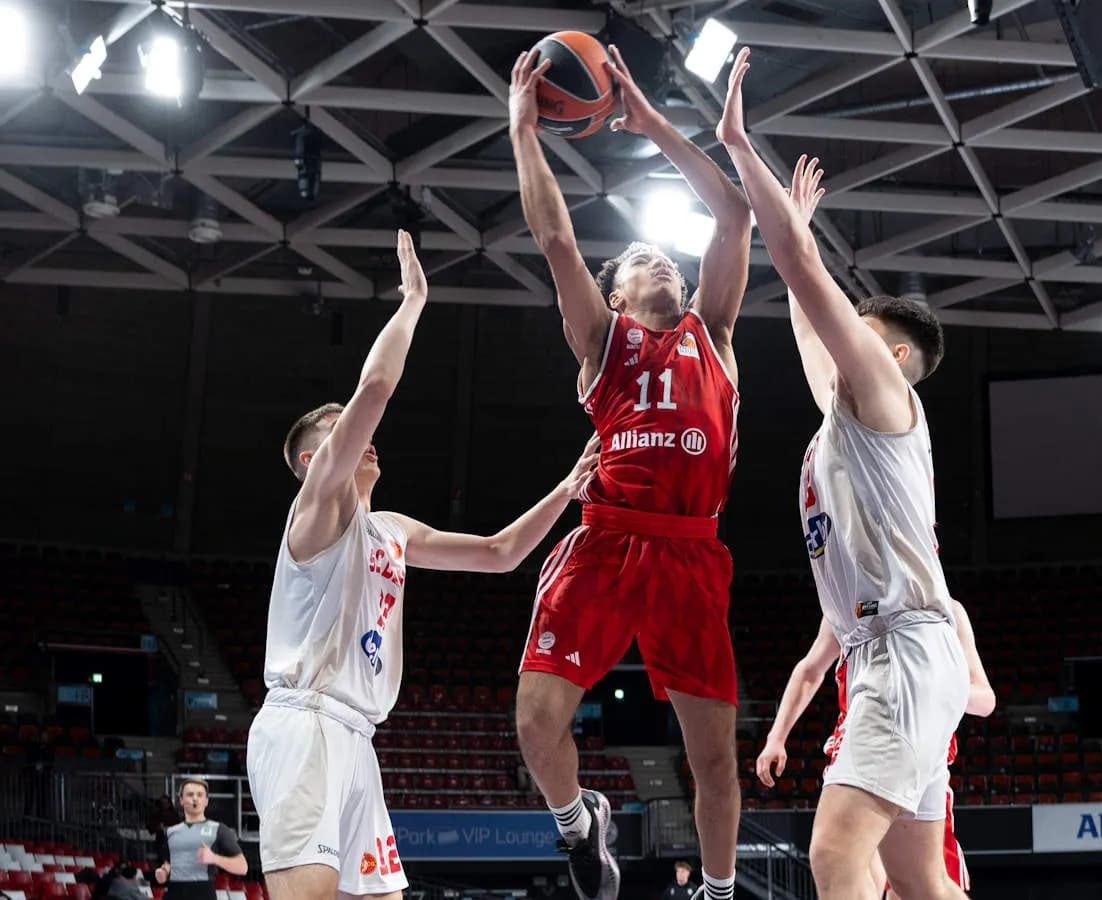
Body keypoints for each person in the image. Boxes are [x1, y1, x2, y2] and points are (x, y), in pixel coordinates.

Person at [246, 230, 602, 900]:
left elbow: (500, 554)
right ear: (312, 462)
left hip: (358, 738)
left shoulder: (393, 529)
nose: (363, 434)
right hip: (305, 723)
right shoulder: (317, 511)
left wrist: (566, 489)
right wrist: (412, 301)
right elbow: (377, 386)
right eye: (341, 428)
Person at [719, 49, 969, 900]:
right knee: (919, 881)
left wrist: (740, 149)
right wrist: (795, 222)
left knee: (834, 856)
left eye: (857, 330)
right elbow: (805, 316)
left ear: (890, 355)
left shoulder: (888, 397)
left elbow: (802, 273)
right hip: (886, 655)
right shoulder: (850, 416)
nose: (841, 337)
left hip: (901, 650)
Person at [507, 41, 752, 900]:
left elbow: (734, 219)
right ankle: (580, 826)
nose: (667, 264)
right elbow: (554, 237)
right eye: (648, 259)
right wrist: (523, 130)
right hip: (605, 544)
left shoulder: (713, 335)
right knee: (535, 725)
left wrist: (653, 125)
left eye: (669, 260)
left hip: (689, 551)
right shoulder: (600, 343)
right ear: (615, 295)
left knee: (713, 759)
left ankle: (718, 892)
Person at [757, 601, 994, 896]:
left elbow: (986, 700)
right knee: (851, 865)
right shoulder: (845, 602)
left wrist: (932, 685)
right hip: (863, 743)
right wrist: (776, 736)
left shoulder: (945, 611)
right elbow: (809, 669)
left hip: (920, 755)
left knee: (917, 886)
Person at [153, 778, 247, 900]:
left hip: (203, 892)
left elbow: (242, 867)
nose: (195, 798)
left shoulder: (219, 829)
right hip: (173, 892)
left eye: (200, 795)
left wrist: (214, 858)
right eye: (190, 794)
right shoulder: (170, 832)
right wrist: (164, 873)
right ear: (181, 800)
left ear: (206, 801)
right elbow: (167, 863)